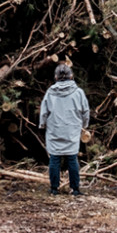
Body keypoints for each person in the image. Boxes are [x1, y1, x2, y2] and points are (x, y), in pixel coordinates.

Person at [39, 63, 90, 195]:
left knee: (54, 159)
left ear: (56, 77)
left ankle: (54, 189)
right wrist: (84, 125)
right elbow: (85, 111)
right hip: (72, 131)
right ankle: (75, 189)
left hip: (54, 131)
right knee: (72, 159)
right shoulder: (79, 93)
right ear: (71, 76)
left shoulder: (50, 92)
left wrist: (42, 125)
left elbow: (44, 112)